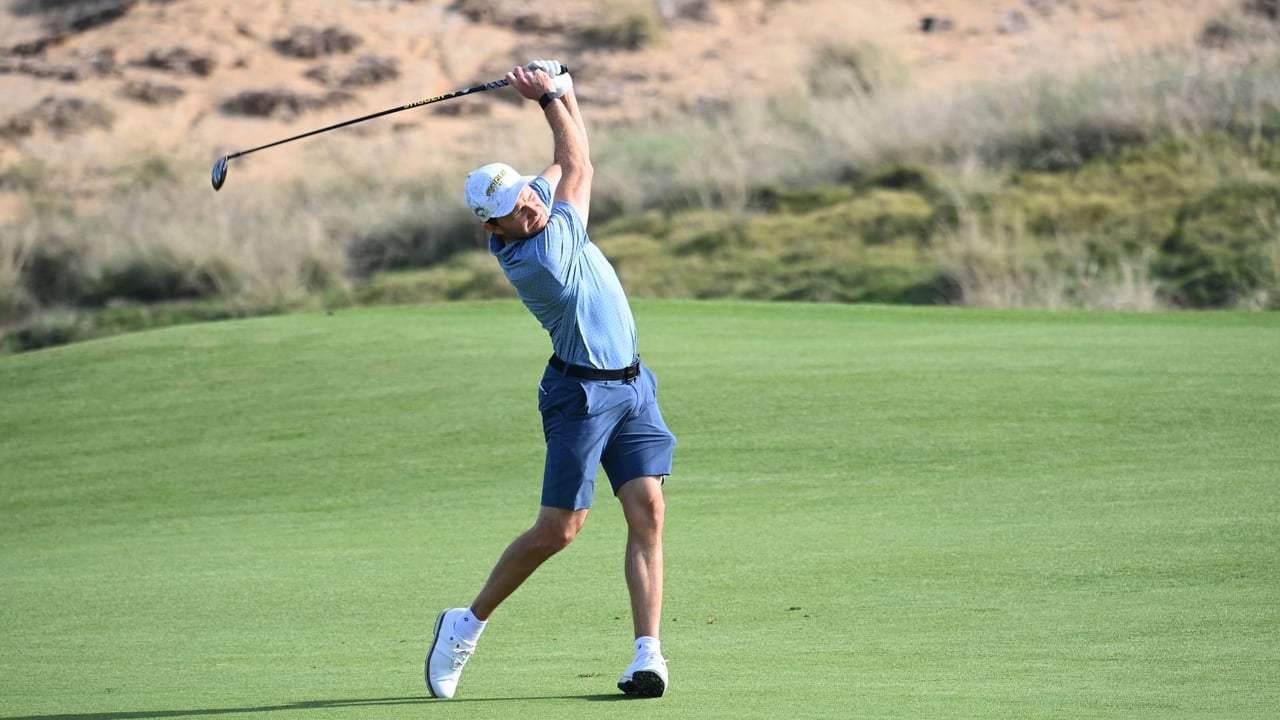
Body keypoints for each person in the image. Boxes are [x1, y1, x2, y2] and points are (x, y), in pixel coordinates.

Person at [425, 61, 677, 700]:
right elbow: (579, 166)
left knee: (648, 508)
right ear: (493, 229)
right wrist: (550, 98)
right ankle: (465, 624)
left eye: (526, 194)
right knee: (560, 530)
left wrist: (560, 95)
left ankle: (648, 654)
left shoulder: (529, 208)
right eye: (514, 208)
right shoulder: (542, 256)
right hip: (581, 396)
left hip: (633, 386)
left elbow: (565, 163)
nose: (529, 204)